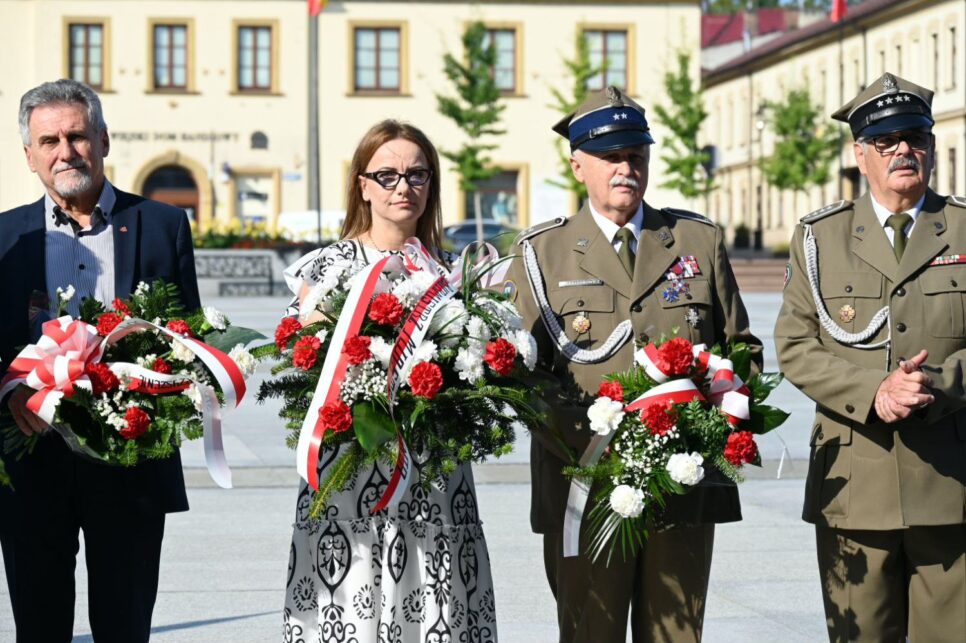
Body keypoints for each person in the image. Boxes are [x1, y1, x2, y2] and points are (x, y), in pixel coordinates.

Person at [503, 86, 762, 642]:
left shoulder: (696, 240)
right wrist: (594, 440)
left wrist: (710, 420)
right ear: (578, 165)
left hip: (684, 489)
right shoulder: (540, 254)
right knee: (590, 632)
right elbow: (521, 374)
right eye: (611, 157)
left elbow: (743, 352)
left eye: (636, 155)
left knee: (675, 635)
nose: (627, 168)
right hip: (587, 484)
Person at [280, 119, 497, 642]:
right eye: (388, 175)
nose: (404, 187)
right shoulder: (329, 268)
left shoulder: (455, 272)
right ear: (363, 185)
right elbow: (301, 359)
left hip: (435, 484)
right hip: (347, 482)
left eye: (418, 174)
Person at [0, 79, 200, 642]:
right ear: (30, 156)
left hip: (130, 465)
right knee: (39, 628)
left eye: (77, 136)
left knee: (125, 625)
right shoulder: (2, 237)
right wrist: (11, 389)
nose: (65, 151)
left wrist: (157, 388)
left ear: (103, 141)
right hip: (31, 460)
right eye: (49, 141)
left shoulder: (163, 226)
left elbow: (189, 338)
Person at [775, 72, 966, 642]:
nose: (904, 149)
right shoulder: (821, 236)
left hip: (951, 485)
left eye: (916, 137)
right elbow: (794, 344)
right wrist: (875, 392)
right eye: (887, 140)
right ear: (861, 153)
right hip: (855, 485)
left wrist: (938, 384)